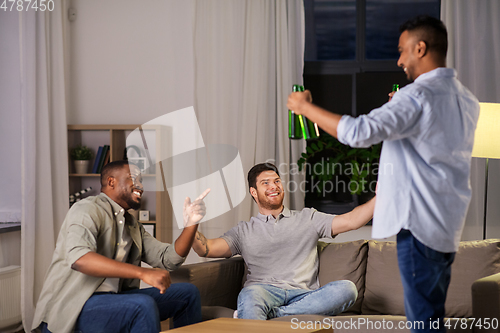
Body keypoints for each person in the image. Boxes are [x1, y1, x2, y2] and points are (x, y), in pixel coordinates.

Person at [287, 15, 479, 333]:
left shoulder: (416, 97)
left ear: (420, 48)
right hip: (445, 227)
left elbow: (358, 132)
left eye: (403, 50)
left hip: (417, 227)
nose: (400, 59)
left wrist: (305, 107)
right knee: (430, 314)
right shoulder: (466, 99)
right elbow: (435, 156)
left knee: (424, 323)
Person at [32, 160, 210, 333]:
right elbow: (80, 259)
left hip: (114, 299)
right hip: (75, 304)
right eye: (134, 179)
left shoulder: (131, 225)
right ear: (111, 181)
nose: (140, 186)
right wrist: (143, 273)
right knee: (142, 306)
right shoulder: (87, 209)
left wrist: (191, 223)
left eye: (141, 181)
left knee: (188, 293)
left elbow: (168, 259)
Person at [191, 162, 375, 320]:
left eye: (277, 181)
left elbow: (352, 221)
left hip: (304, 295)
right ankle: (268, 313)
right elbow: (206, 249)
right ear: (253, 192)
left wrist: (381, 197)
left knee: (347, 289)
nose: (274, 186)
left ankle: (276, 315)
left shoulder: (308, 218)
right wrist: (191, 224)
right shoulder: (243, 231)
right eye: (266, 183)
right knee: (250, 295)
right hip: (262, 292)